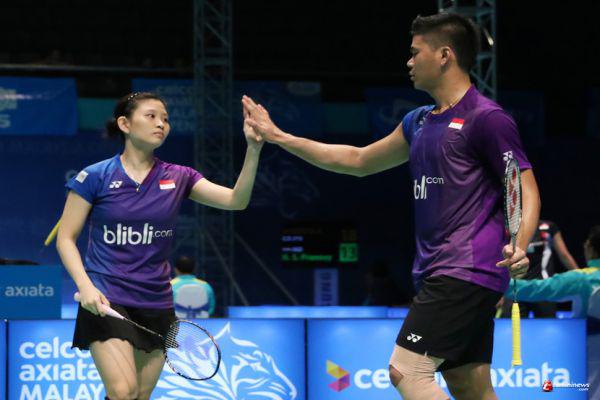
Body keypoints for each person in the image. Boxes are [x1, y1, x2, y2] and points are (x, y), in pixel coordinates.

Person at [243, 12, 540, 400]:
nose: (409, 61)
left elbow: (524, 188)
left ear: (444, 55)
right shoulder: (418, 122)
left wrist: (521, 244)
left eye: (416, 52)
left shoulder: (486, 119)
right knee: (469, 385)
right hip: (442, 269)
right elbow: (358, 160)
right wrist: (280, 137)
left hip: (465, 268)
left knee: (406, 371)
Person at [56, 92, 263, 400]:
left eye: (165, 118)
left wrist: (253, 149)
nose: (161, 124)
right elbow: (66, 237)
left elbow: (236, 200)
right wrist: (85, 286)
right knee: (123, 391)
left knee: (139, 395)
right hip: (108, 298)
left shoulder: (179, 177)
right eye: (151, 116)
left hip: (156, 302)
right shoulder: (94, 177)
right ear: (125, 124)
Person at [500, 219, 579, 318]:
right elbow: (502, 260)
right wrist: (499, 292)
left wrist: (581, 276)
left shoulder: (548, 227)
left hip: (543, 288)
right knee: (510, 326)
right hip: (515, 288)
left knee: (548, 326)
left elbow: (564, 255)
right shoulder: (509, 229)